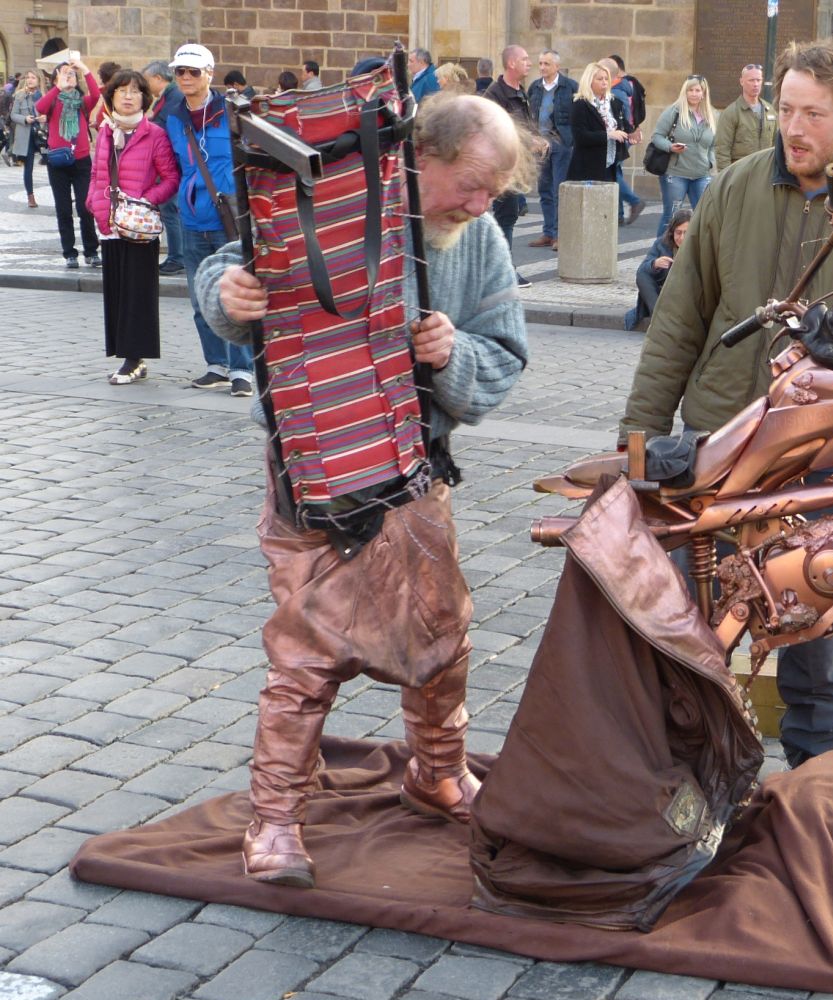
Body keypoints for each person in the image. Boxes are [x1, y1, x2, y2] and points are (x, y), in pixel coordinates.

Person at [195, 93, 532, 888]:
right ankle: (275, 818)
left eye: (494, 193)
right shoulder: (335, 194)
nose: (480, 207)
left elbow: (504, 353)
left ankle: (437, 771)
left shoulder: (478, 237)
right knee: (307, 649)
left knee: (443, 630)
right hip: (313, 465)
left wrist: (453, 353)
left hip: (415, 470)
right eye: (471, 185)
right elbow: (228, 267)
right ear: (424, 156)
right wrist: (228, 296)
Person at [619, 37, 833, 769]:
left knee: (820, 655)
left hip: (827, 466)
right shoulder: (732, 190)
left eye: (813, 114)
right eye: (786, 109)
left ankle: (818, 789)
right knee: (693, 636)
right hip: (721, 447)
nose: (793, 128)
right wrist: (639, 439)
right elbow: (678, 321)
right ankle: (689, 788)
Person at [160, 42, 255, 395]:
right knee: (200, 299)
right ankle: (216, 364)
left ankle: (242, 369)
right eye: (179, 71)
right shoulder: (174, 117)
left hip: (228, 217)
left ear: (209, 74)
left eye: (193, 71)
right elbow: (170, 164)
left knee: (234, 296)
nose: (185, 77)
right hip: (191, 218)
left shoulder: (231, 111)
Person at [86, 69, 180, 385]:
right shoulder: (105, 132)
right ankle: (127, 356)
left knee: (137, 293)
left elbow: (171, 178)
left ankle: (134, 358)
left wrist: (146, 200)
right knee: (117, 292)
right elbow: (96, 174)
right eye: (122, 91)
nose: (128, 96)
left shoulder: (154, 134)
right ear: (111, 96)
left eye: (135, 91)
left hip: (138, 225)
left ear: (144, 97)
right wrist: (93, 202)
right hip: (109, 223)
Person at [37, 56, 102, 270]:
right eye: (64, 73)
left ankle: (91, 251)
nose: (69, 76)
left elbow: (96, 94)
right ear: (56, 78)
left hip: (81, 161)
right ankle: (69, 253)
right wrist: (58, 87)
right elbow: (39, 107)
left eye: (72, 74)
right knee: (63, 209)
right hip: (58, 162)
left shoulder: (82, 102)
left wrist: (84, 69)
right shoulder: (53, 101)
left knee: (85, 208)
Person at [484, 44, 536, 287]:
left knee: (509, 216)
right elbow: (495, 131)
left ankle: (499, 269)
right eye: (524, 59)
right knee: (505, 216)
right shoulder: (495, 94)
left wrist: (535, 141)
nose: (529, 63)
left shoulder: (520, 91)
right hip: (501, 167)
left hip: (515, 165)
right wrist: (528, 141)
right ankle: (504, 271)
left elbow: (524, 126)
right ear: (511, 63)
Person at [650, 75, 716, 237]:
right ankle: (661, 248)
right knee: (671, 216)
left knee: (703, 215)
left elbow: (714, 145)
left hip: (702, 174)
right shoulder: (674, 111)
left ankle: (693, 249)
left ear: (704, 93)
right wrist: (670, 147)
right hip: (675, 174)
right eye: (690, 90)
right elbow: (657, 136)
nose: (694, 94)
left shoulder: (713, 115)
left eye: (697, 90)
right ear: (684, 92)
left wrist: (710, 162)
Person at [527, 50, 576, 250]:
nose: (542, 67)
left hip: (561, 143)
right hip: (540, 144)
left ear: (557, 66)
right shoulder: (535, 87)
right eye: (540, 63)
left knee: (559, 190)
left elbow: (576, 114)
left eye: (546, 64)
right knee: (544, 189)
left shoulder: (570, 86)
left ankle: (558, 234)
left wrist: (570, 139)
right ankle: (548, 232)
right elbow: (530, 114)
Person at [143, 61, 187, 274]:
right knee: (169, 210)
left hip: (171, 166)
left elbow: (164, 129)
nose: (145, 85)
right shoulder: (168, 97)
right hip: (168, 165)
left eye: (147, 80)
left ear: (158, 78)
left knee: (170, 211)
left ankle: (178, 257)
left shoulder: (174, 96)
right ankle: (177, 256)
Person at [567, 60, 635, 191]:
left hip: (611, 163)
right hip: (588, 165)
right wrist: (609, 135)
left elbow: (623, 125)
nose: (604, 82)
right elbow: (580, 137)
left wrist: (631, 134)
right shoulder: (580, 104)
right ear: (589, 81)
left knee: (612, 200)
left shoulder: (614, 102)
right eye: (600, 79)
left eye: (606, 79)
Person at [625, 207, 690, 331]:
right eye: (678, 233)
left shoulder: (699, 245)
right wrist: (654, 264)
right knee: (643, 275)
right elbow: (642, 270)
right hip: (664, 294)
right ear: (672, 232)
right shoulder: (662, 244)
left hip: (687, 296)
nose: (681, 238)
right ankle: (657, 317)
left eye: (686, 233)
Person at [602, 56, 646, 226]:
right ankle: (618, 214)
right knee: (615, 171)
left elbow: (624, 116)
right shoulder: (626, 87)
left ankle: (634, 201)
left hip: (618, 137)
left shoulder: (617, 91)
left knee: (612, 173)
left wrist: (627, 131)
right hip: (621, 136)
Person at [715, 64, 777, 172]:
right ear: (742, 81)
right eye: (751, 80)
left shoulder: (770, 110)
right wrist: (727, 177)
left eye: (758, 80)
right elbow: (722, 150)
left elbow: (776, 144)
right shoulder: (731, 112)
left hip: (765, 171)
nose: (755, 84)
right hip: (741, 172)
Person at [10, 71, 43, 209]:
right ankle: (30, 197)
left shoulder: (43, 95)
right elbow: (13, 115)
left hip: (42, 135)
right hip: (26, 135)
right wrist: (24, 119)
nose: (30, 80)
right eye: (28, 77)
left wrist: (44, 118)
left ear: (38, 80)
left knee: (53, 164)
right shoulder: (19, 95)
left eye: (33, 77)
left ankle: (61, 194)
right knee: (28, 168)